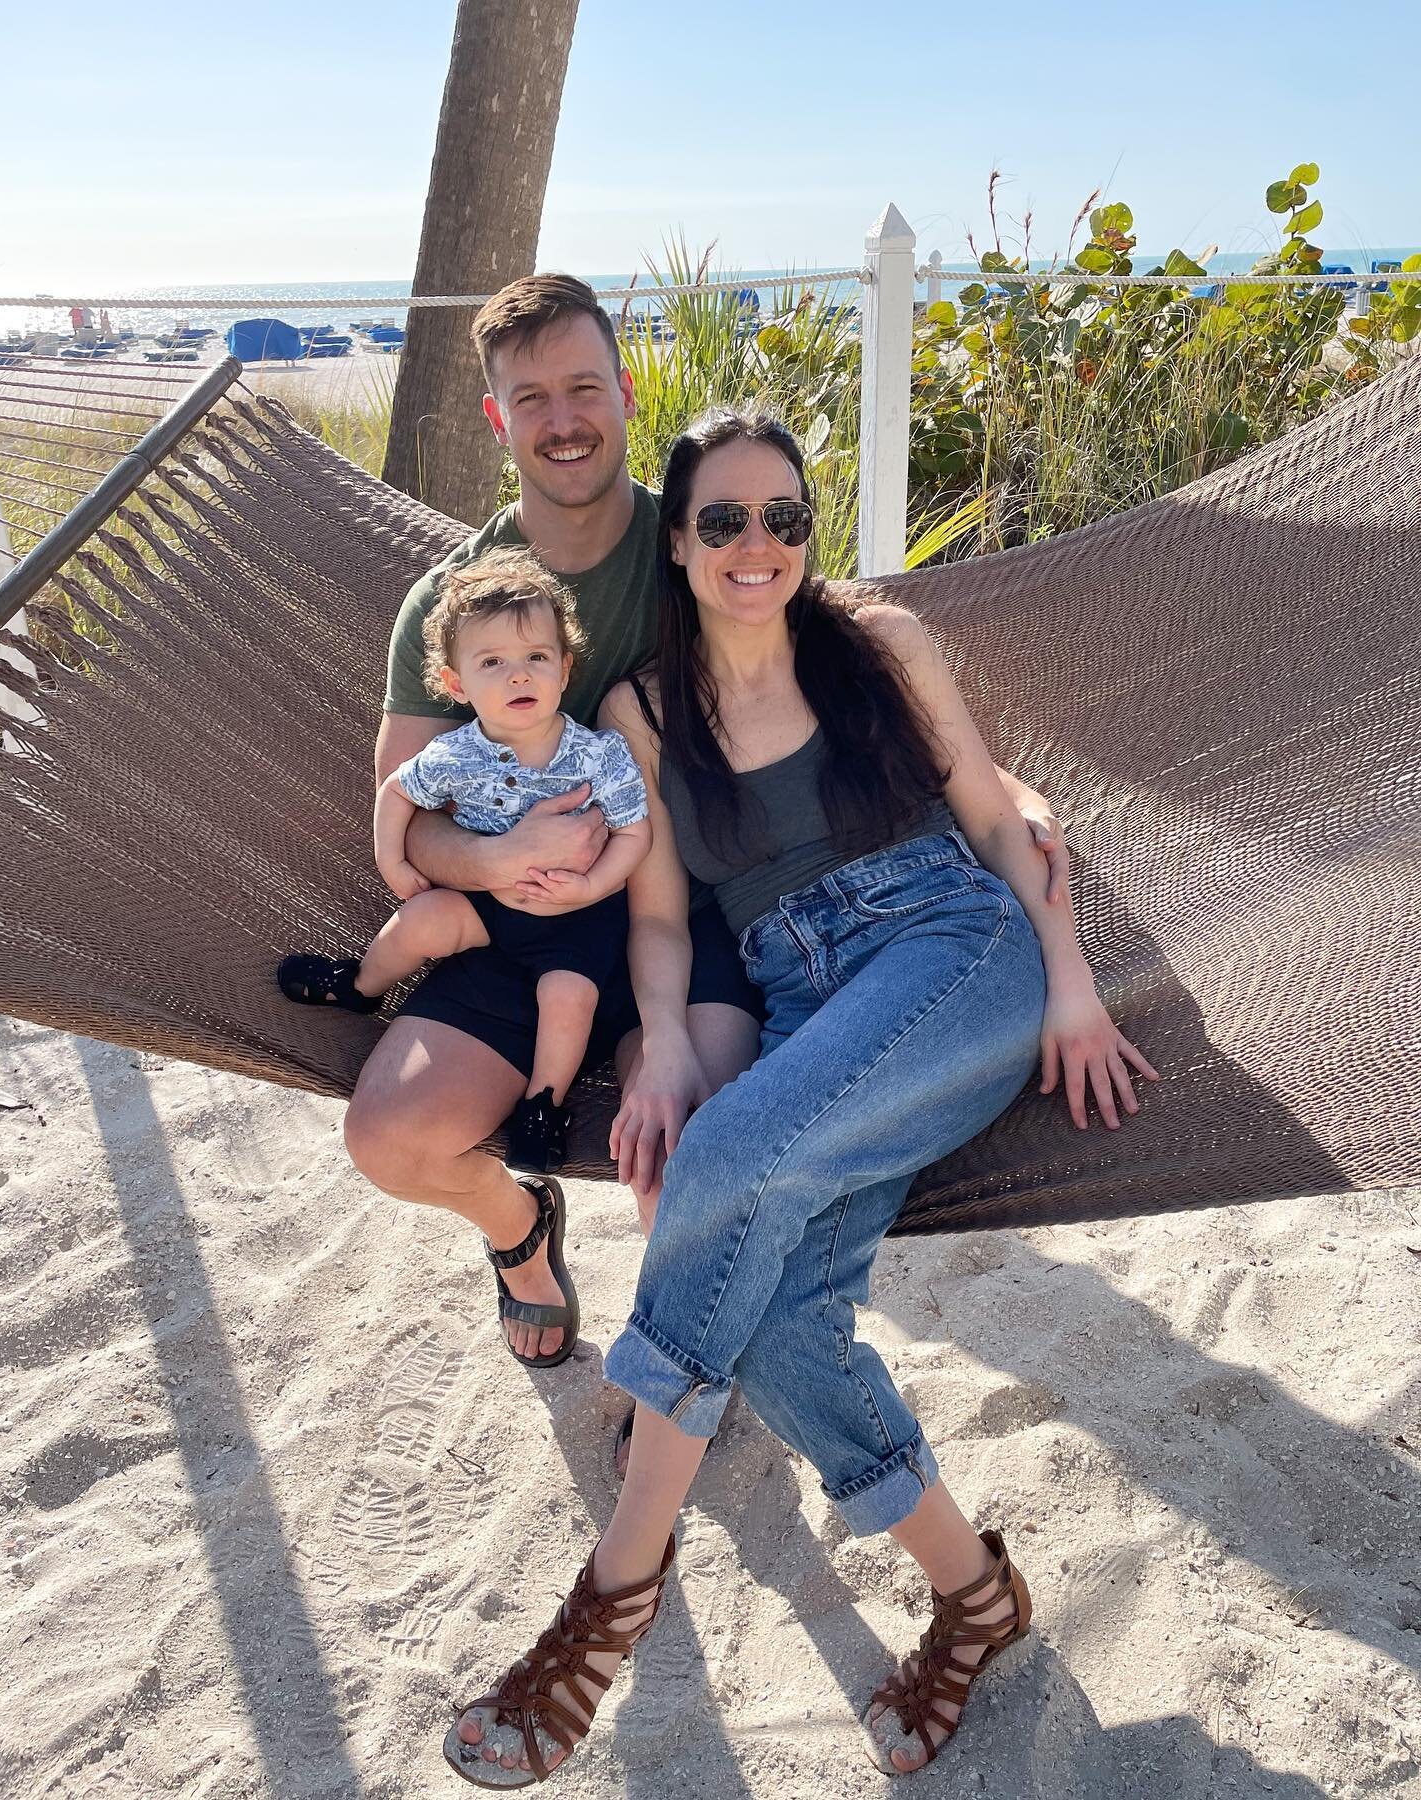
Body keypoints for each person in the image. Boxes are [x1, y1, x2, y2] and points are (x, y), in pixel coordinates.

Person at [445, 407, 1157, 1787]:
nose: (756, 545)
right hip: (806, 1003)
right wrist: (657, 1034)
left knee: (728, 1155)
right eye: (725, 521)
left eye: (785, 520)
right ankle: (975, 1594)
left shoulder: (878, 643)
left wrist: (1069, 976)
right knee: (777, 1333)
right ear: (680, 538)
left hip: (954, 953)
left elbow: (998, 816)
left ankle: (619, 1583)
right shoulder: (639, 714)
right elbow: (660, 917)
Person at [344, 273, 1071, 1371]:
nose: (563, 419)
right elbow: (402, 825)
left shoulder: (693, 533)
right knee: (386, 1139)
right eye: (530, 398)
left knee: (684, 1139)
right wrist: (501, 855)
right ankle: (519, 1230)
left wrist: (997, 786)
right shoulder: (456, 598)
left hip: (694, 904)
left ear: (625, 394)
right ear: (498, 418)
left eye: (583, 386)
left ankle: (671, 1357)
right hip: (519, 918)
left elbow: (819, 653)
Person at [277, 548, 651, 1197]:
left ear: (564, 669)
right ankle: (363, 984)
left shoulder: (599, 754)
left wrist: (593, 885)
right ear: (457, 685)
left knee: (569, 998)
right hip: (490, 903)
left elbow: (634, 833)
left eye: (536, 657)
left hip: (576, 916)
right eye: (492, 664)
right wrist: (393, 862)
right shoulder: (457, 753)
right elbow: (397, 792)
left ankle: (544, 1104)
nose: (517, 676)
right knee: (424, 918)